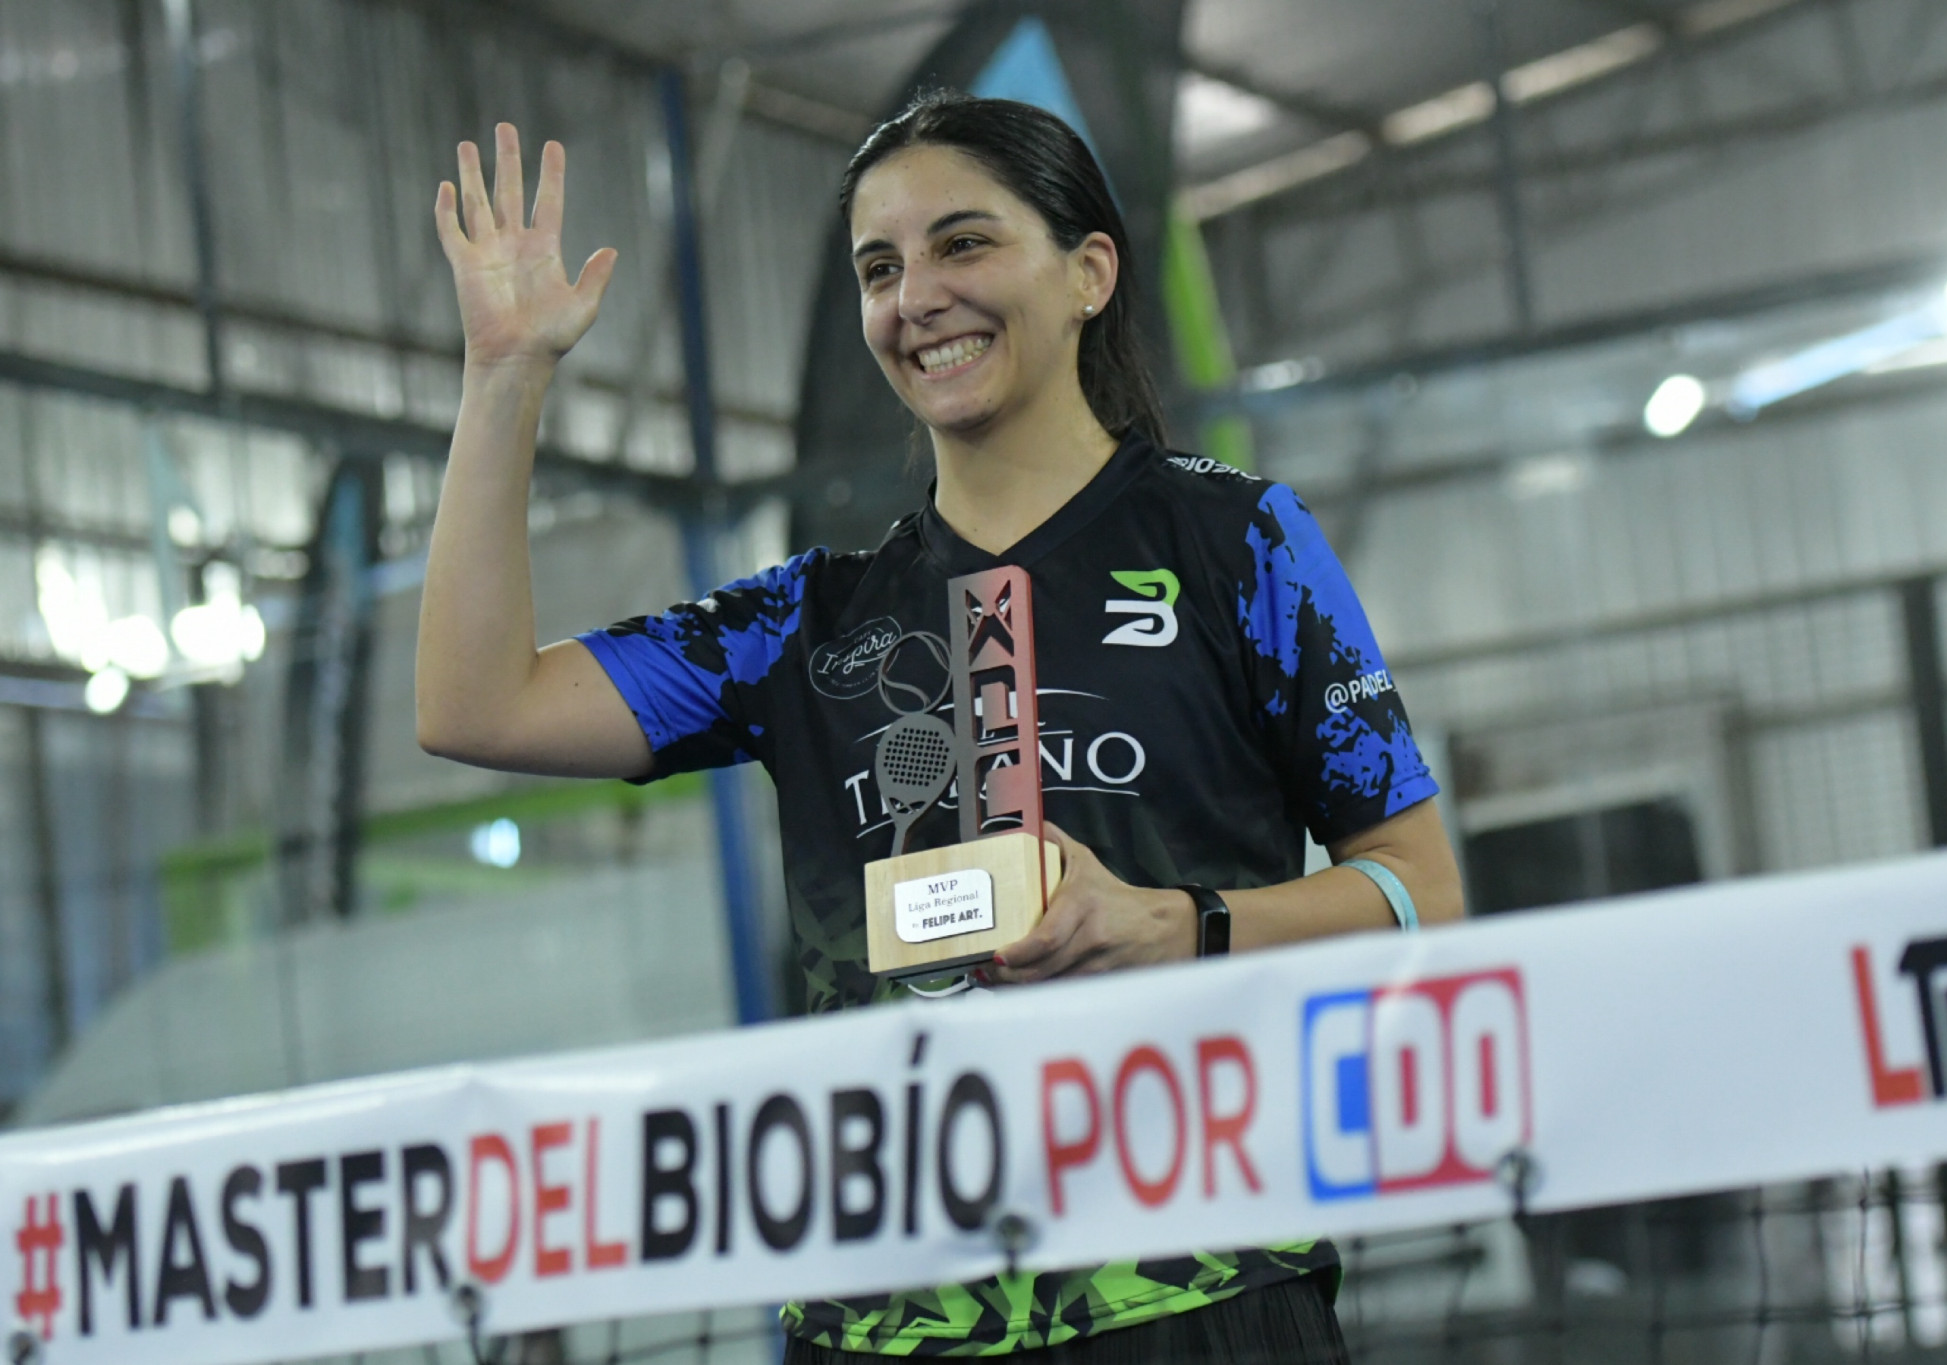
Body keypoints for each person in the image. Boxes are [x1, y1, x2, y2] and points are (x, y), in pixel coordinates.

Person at [420, 92, 1463, 1362]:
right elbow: (475, 703)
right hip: (885, 1315)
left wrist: (1177, 926)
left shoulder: (1238, 542)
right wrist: (504, 375)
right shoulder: (803, 622)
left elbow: (1418, 893)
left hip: (1194, 1285)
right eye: (879, 268)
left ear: (1087, 274)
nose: (914, 297)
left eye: (962, 243)